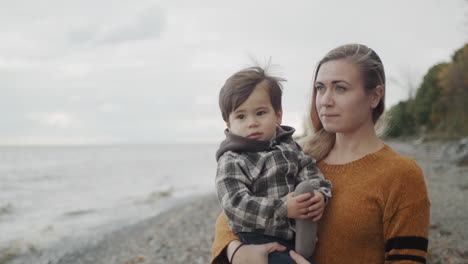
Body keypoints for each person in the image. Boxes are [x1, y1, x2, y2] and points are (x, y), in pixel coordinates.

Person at [211, 44, 431, 264]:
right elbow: (228, 216)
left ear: (375, 96)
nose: (325, 100)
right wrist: (236, 252)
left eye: (340, 88)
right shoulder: (296, 155)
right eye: (320, 88)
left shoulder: (401, 174)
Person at [215, 66, 333, 264]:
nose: (252, 122)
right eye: (241, 116)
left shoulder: (289, 147)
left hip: (292, 237)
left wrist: (321, 195)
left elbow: (310, 172)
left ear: (278, 115)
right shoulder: (232, 158)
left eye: (260, 113)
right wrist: (283, 208)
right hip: (256, 238)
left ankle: (306, 241)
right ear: (228, 124)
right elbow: (234, 204)